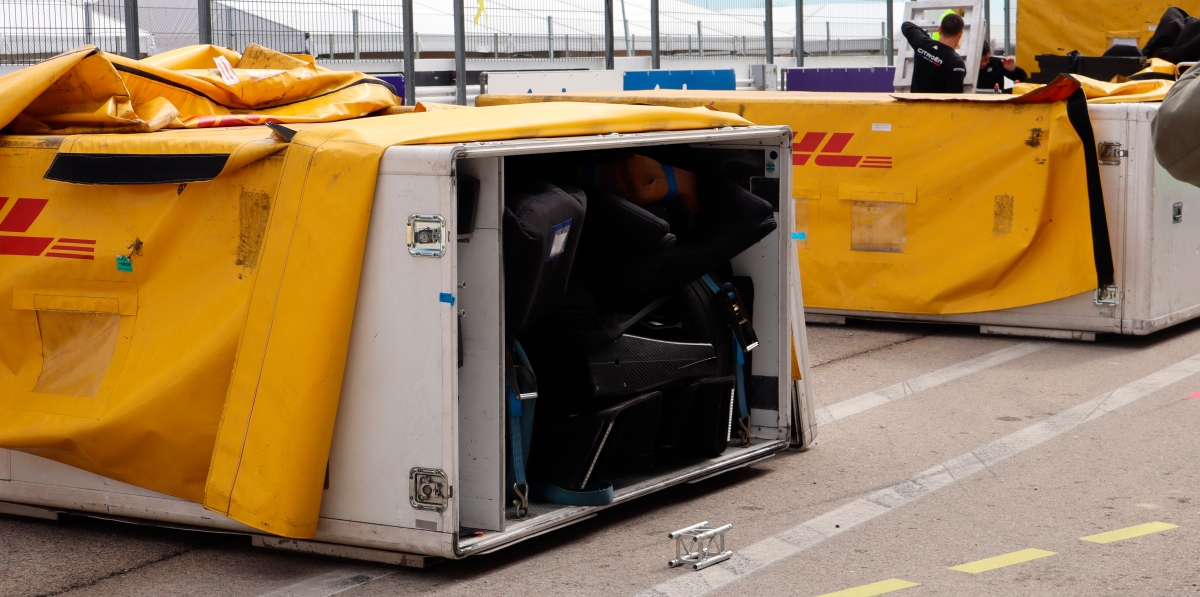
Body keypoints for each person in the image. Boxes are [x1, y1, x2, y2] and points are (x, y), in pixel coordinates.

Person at [901, 13, 967, 93]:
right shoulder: (956, 63)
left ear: (939, 30)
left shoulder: (923, 44)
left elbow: (906, 25)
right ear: (960, 34)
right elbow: (955, 97)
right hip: (937, 102)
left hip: (915, 101)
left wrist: (928, 40)